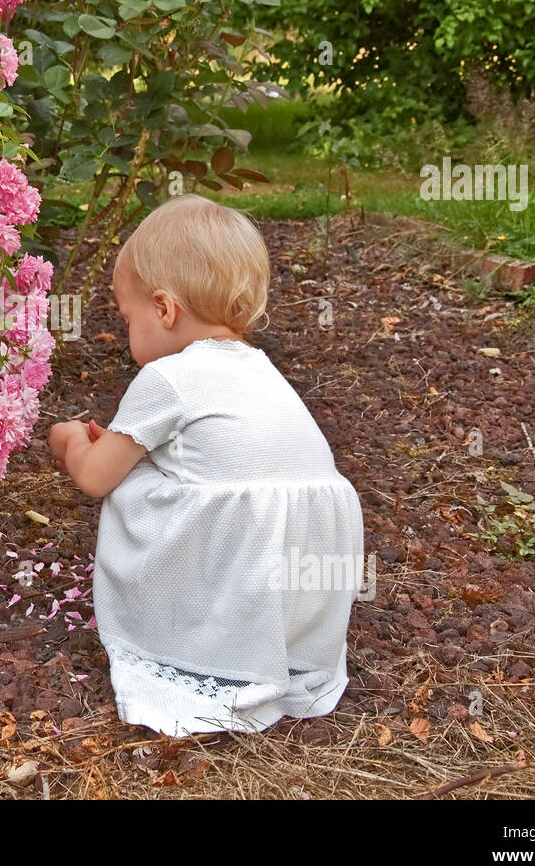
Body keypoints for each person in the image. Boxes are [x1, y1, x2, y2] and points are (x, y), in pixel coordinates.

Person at [47, 194, 364, 736]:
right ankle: (271, 649)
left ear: (165, 308)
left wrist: (70, 439)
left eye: (128, 317)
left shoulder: (166, 378)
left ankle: (195, 647)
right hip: (305, 578)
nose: (127, 333)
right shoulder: (264, 372)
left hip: (239, 569)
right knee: (155, 472)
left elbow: (96, 477)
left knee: (131, 488)